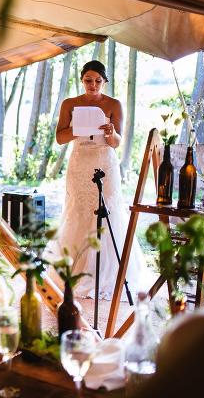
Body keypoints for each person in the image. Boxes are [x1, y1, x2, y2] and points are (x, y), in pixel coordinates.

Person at [53, 60, 150, 299]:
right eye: (88, 80)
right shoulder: (69, 104)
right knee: (78, 209)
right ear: (82, 80)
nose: (93, 85)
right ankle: (75, 270)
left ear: (105, 81)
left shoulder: (114, 104)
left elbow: (117, 142)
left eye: (98, 81)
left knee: (108, 212)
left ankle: (108, 273)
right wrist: (79, 127)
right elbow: (60, 138)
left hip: (105, 162)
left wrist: (110, 132)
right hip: (79, 163)